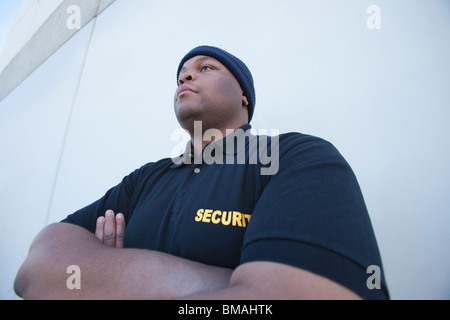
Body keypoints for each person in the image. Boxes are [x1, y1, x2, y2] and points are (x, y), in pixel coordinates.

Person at [14, 45, 389, 300]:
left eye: (204, 68)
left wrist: (106, 272)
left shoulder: (295, 155)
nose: (185, 79)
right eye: (181, 76)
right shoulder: (145, 179)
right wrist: (232, 284)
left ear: (244, 95)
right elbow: (35, 271)